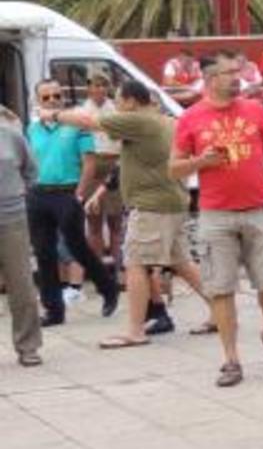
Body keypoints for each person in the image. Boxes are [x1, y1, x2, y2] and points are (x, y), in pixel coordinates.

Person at [169, 53, 263, 387]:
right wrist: (202, 161)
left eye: (238, 71)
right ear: (211, 79)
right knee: (221, 288)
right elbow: (174, 168)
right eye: (230, 72)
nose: (237, 77)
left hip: (260, 209)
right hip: (216, 215)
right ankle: (231, 360)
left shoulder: (256, 110)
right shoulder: (190, 118)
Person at [51, 82, 204, 350]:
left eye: (119, 101)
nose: (117, 107)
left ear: (132, 101)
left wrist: (51, 115)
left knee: (135, 264)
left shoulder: (138, 120)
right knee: (181, 262)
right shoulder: (164, 120)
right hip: (170, 202)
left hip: (152, 206)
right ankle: (221, 309)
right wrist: (102, 190)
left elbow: (87, 120)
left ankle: (135, 331)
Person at [26, 80, 119, 326]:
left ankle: (108, 288)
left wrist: (79, 194)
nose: (53, 99)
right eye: (46, 97)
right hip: (38, 193)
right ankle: (54, 310)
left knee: (77, 247)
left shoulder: (76, 123)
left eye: (57, 95)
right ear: (37, 101)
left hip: (67, 192)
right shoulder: (32, 128)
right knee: (44, 253)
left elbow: (89, 160)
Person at [0, 113, 42, 366]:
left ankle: (28, 346)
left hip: (11, 218)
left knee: (22, 285)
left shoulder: (11, 135)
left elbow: (31, 171)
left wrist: (18, 195)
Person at [75, 73, 126, 275]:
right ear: (88, 88)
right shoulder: (80, 111)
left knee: (115, 221)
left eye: (103, 85)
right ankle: (97, 271)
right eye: (95, 85)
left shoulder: (116, 109)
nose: (99, 90)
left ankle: (117, 270)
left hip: (114, 163)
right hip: (91, 165)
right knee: (94, 223)